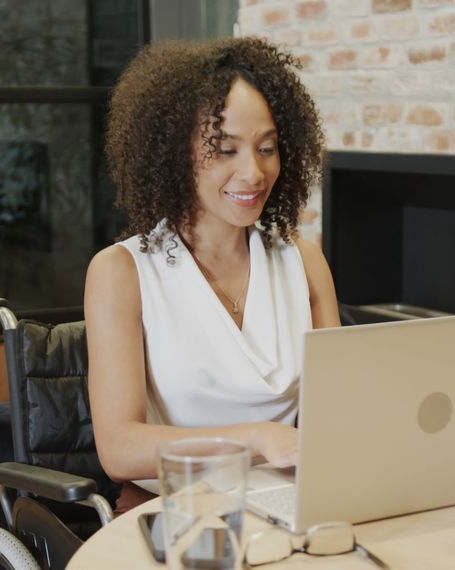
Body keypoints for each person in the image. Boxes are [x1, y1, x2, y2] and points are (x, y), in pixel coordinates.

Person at [84, 37, 340, 514]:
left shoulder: (304, 263)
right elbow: (118, 449)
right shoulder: (122, 272)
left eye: (267, 148)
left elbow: (343, 409)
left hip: (291, 500)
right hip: (173, 508)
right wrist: (259, 439)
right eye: (224, 150)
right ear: (173, 153)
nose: (254, 172)